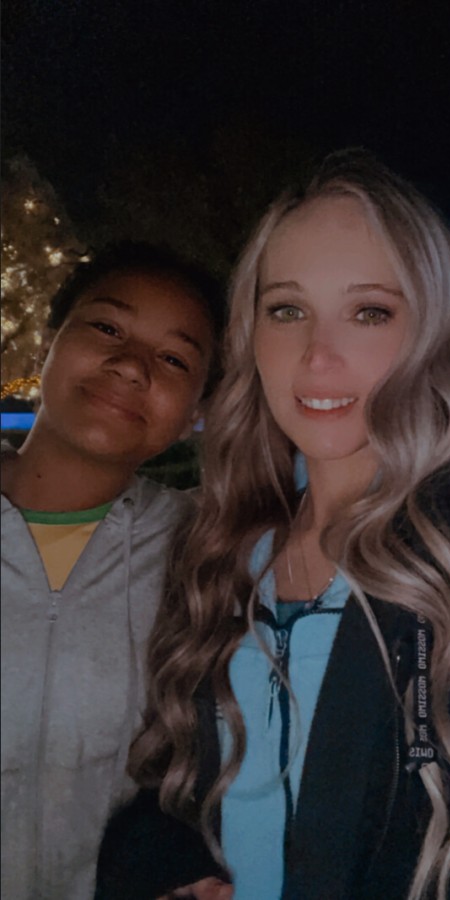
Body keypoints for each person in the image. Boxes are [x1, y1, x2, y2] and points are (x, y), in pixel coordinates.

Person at [96, 151, 450, 900]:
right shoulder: (222, 544)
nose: (317, 355)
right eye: (287, 310)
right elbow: (171, 790)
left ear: (434, 329)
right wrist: (168, 869)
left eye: (369, 312)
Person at [1, 240, 223, 900]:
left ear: (196, 414)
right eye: (106, 328)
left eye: (174, 359)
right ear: (47, 344)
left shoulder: (207, 553)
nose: (129, 366)